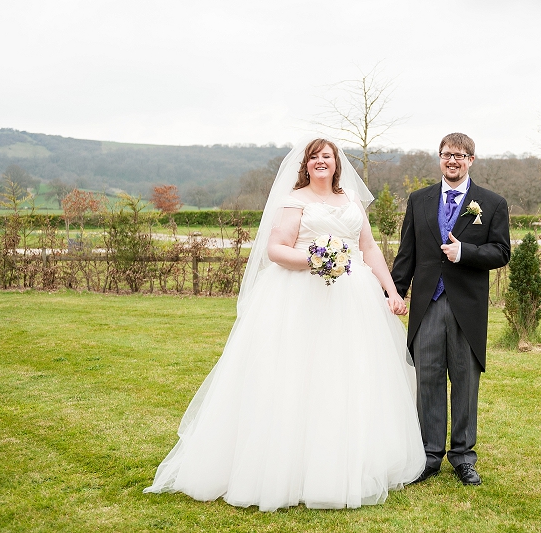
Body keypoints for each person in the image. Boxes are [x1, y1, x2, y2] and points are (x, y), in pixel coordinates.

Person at [144, 138, 425, 511]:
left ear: (337, 164)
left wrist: (391, 291)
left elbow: (369, 248)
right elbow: (276, 249)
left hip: (354, 297)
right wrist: (317, 261)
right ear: (306, 165)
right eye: (314, 157)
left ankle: (351, 465)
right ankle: (287, 470)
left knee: (350, 374)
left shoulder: (352, 201)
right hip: (301, 295)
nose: (321, 162)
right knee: (298, 376)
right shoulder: (295, 200)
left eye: (327, 157)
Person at [391, 132, 510, 486]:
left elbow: (501, 252)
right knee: (426, 378)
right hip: (427, 304)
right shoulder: (419, 200)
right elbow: (407, 253)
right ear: (439, 158)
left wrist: (466, 253)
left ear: (471, 160)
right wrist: (395, 291)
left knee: (464, 381)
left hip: (466, 308)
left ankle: (462, 456)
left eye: (460, 155)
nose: (453, 161)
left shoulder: (491, 203)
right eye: (447, 155)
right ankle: (428, 455)